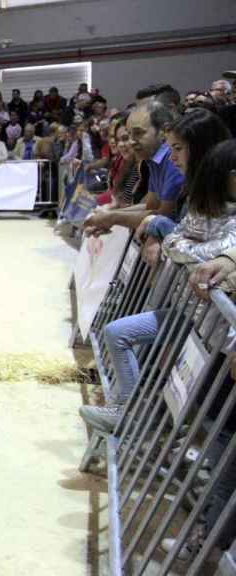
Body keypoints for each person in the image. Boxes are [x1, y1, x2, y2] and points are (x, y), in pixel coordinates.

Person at [80, 116, 233, 434]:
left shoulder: (221, 204)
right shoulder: (196, 194)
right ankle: (128, 412)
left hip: (211, 323)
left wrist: (165, 231)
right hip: (189, 309)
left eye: (177, 148)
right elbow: (178, 239)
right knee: (118, 333)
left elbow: (181, 241)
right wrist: (169, 235)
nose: (172, 155)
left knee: (210, 411)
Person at [83, 101, 185, 236]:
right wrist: (109, 216)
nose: (131, 141)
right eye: (129, 135)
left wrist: (112, 218)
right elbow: (151, 206)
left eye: (138, 133)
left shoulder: (173, 161)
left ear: (163, 132)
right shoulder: (153, 159)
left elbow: (163, 215)